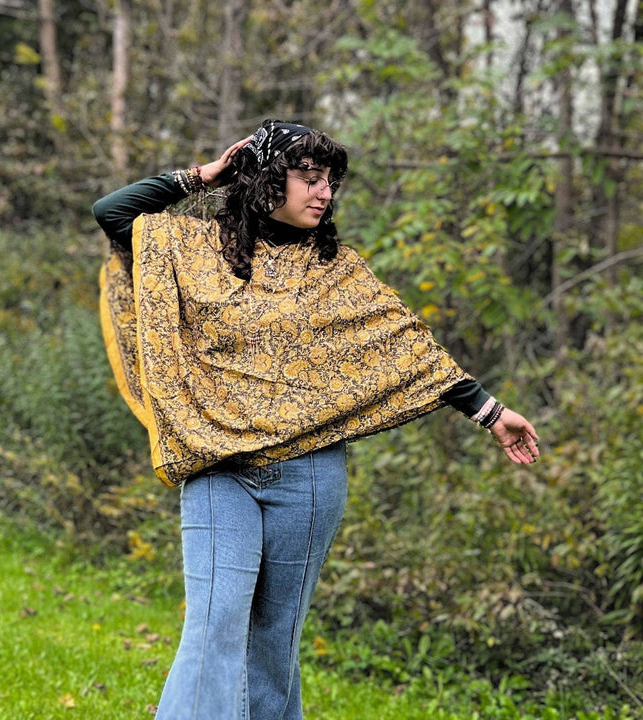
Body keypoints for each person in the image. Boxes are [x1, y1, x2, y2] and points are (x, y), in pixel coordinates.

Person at [92, 119, 539, 720]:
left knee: (274, 644)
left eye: (329, 180)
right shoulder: (193, 246)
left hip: (309, 478)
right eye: (307, 178)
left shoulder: (338, 271)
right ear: (266, 178)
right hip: (218, 467)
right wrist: (204, 175)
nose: (324, 192)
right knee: (214, 624)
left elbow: (405, 348)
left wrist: (490, 412)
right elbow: (113, 211)